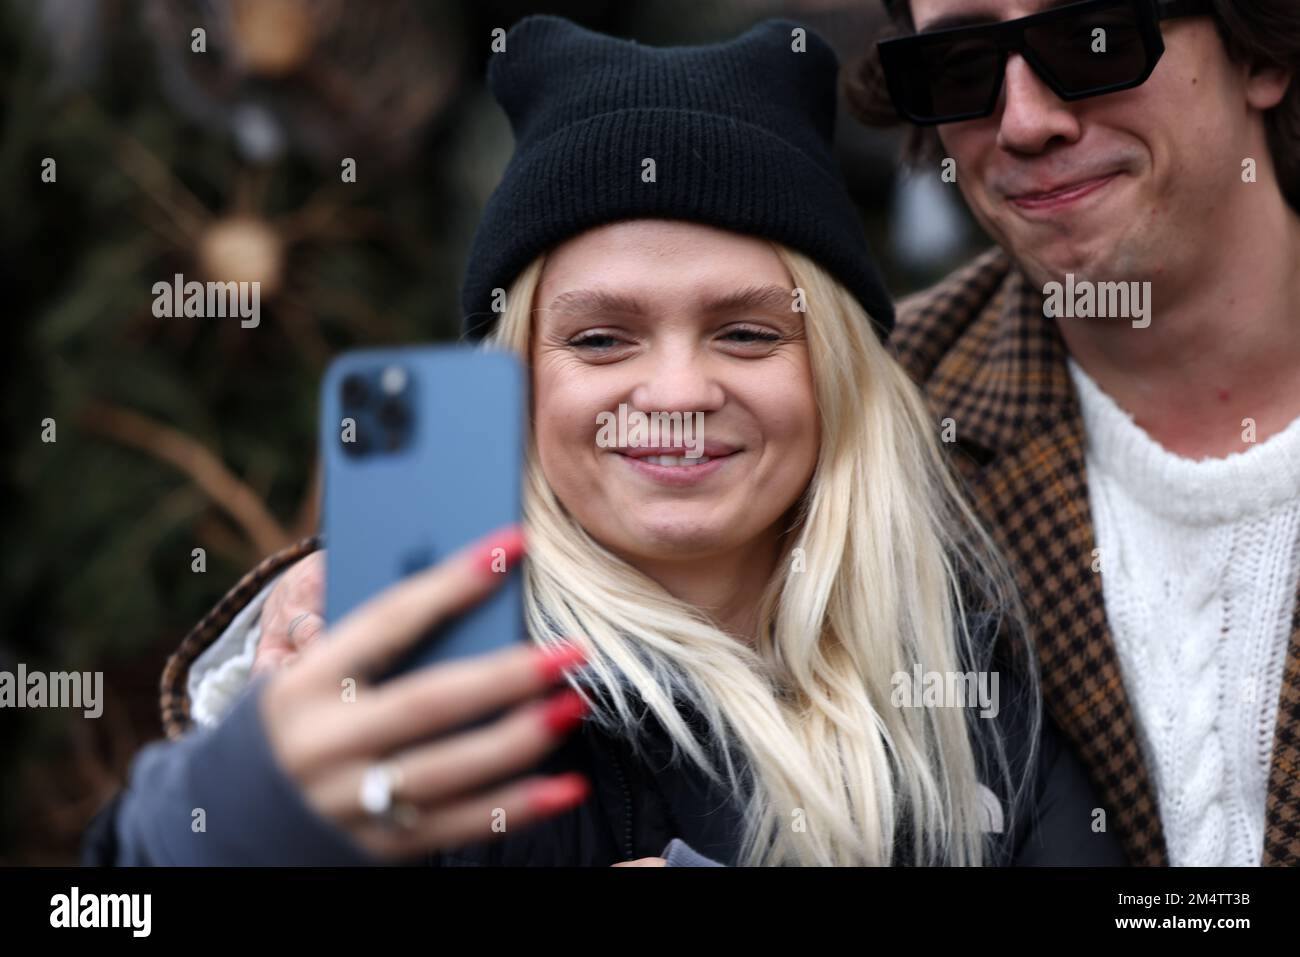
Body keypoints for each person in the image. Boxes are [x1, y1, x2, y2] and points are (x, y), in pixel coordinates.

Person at [83, 15, 1124, 867]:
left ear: (835, 376)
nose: (675, 390)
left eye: (747, 332)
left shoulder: (972, 709)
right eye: (599, 337)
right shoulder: (413, 707)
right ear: (521, 380)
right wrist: (226, 812)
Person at [844, 0, 1300, 866]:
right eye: (962, 62)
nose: (1024, 121)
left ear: (1261, 55)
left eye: (1095, 38)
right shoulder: (861, 434)